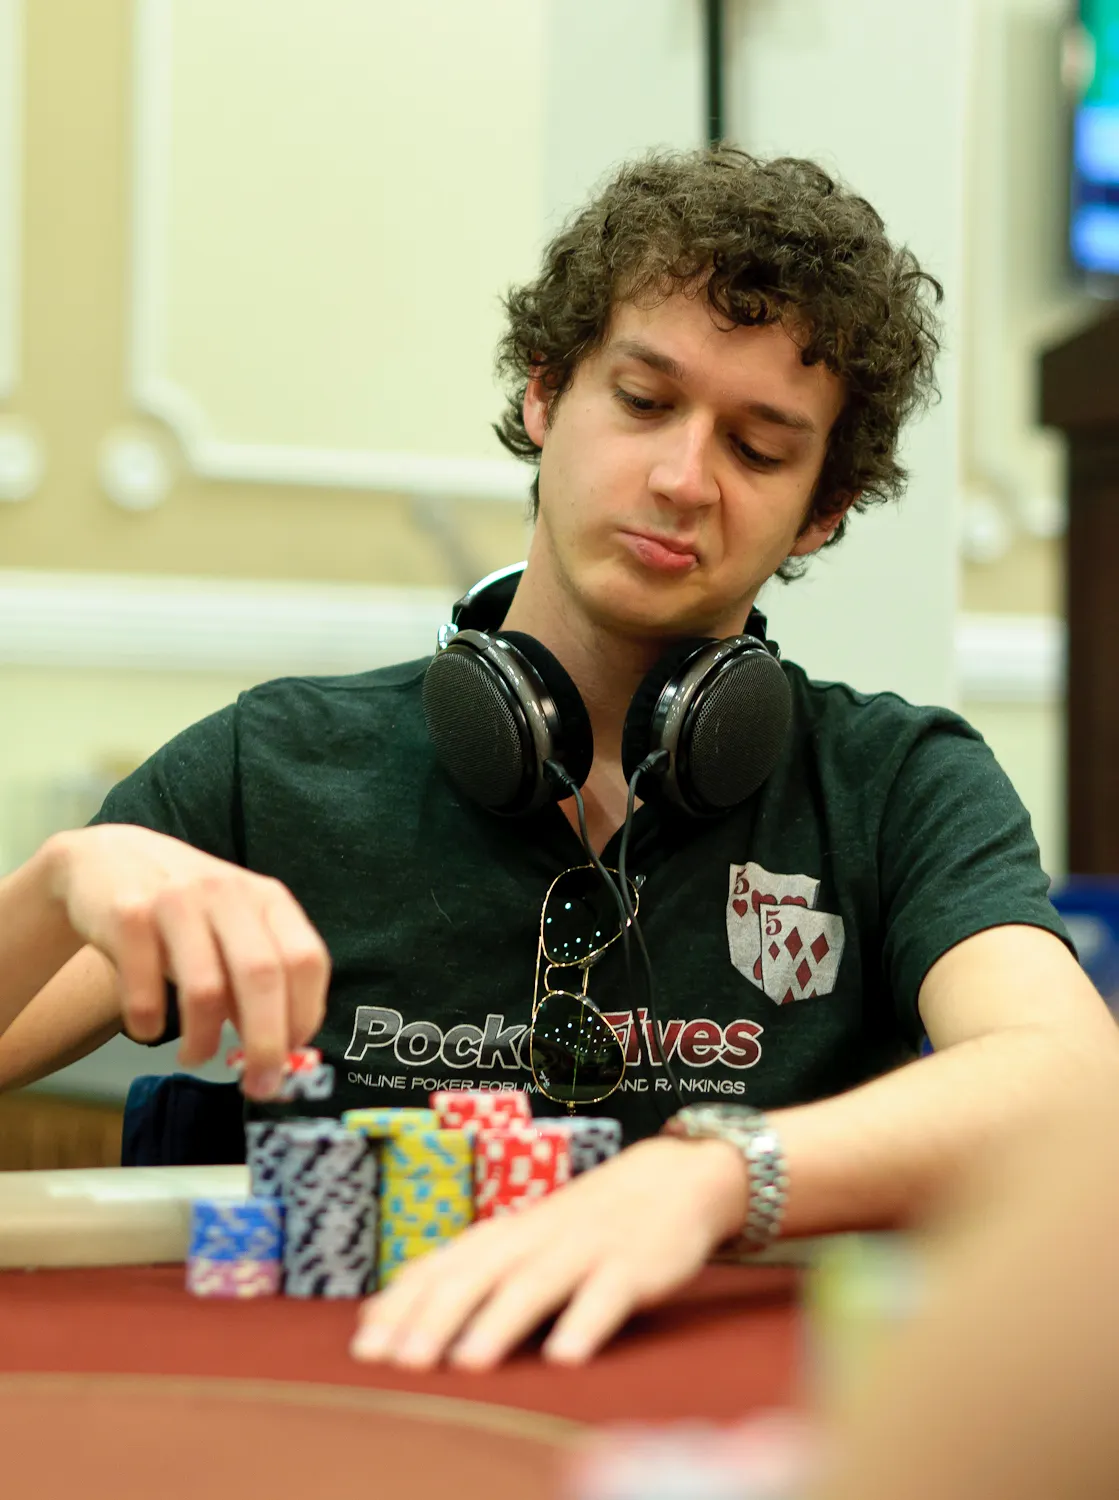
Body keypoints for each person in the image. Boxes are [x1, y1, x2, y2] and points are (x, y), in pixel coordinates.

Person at [0, 149, 1115, 1373]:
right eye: (642, 401)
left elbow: (1077, 1089)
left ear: (821, 512)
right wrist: (58, 886)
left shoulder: (898, 782)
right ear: (544, 393)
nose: (683, 480)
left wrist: (710, 1177)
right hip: (356, 1404)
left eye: (758, 449)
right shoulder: (276, 762)